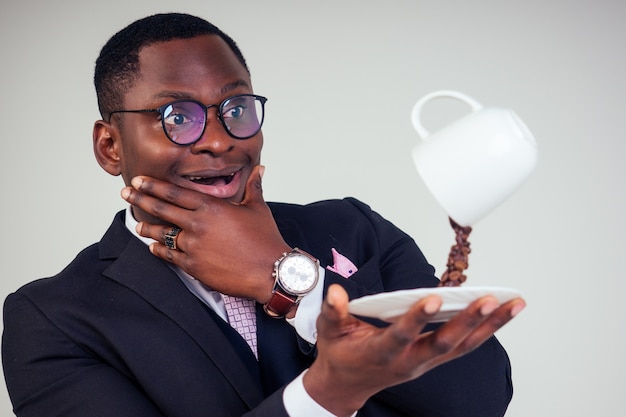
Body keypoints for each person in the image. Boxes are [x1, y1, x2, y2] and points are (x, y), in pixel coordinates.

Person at [1, 12, 525, 417]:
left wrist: (290, 280)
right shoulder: (52, 320)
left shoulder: (353, 229)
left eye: (236, 109)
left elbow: (477, 399)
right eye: (176, 116)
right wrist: (329, 392)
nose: (216, 139)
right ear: (110, 146)